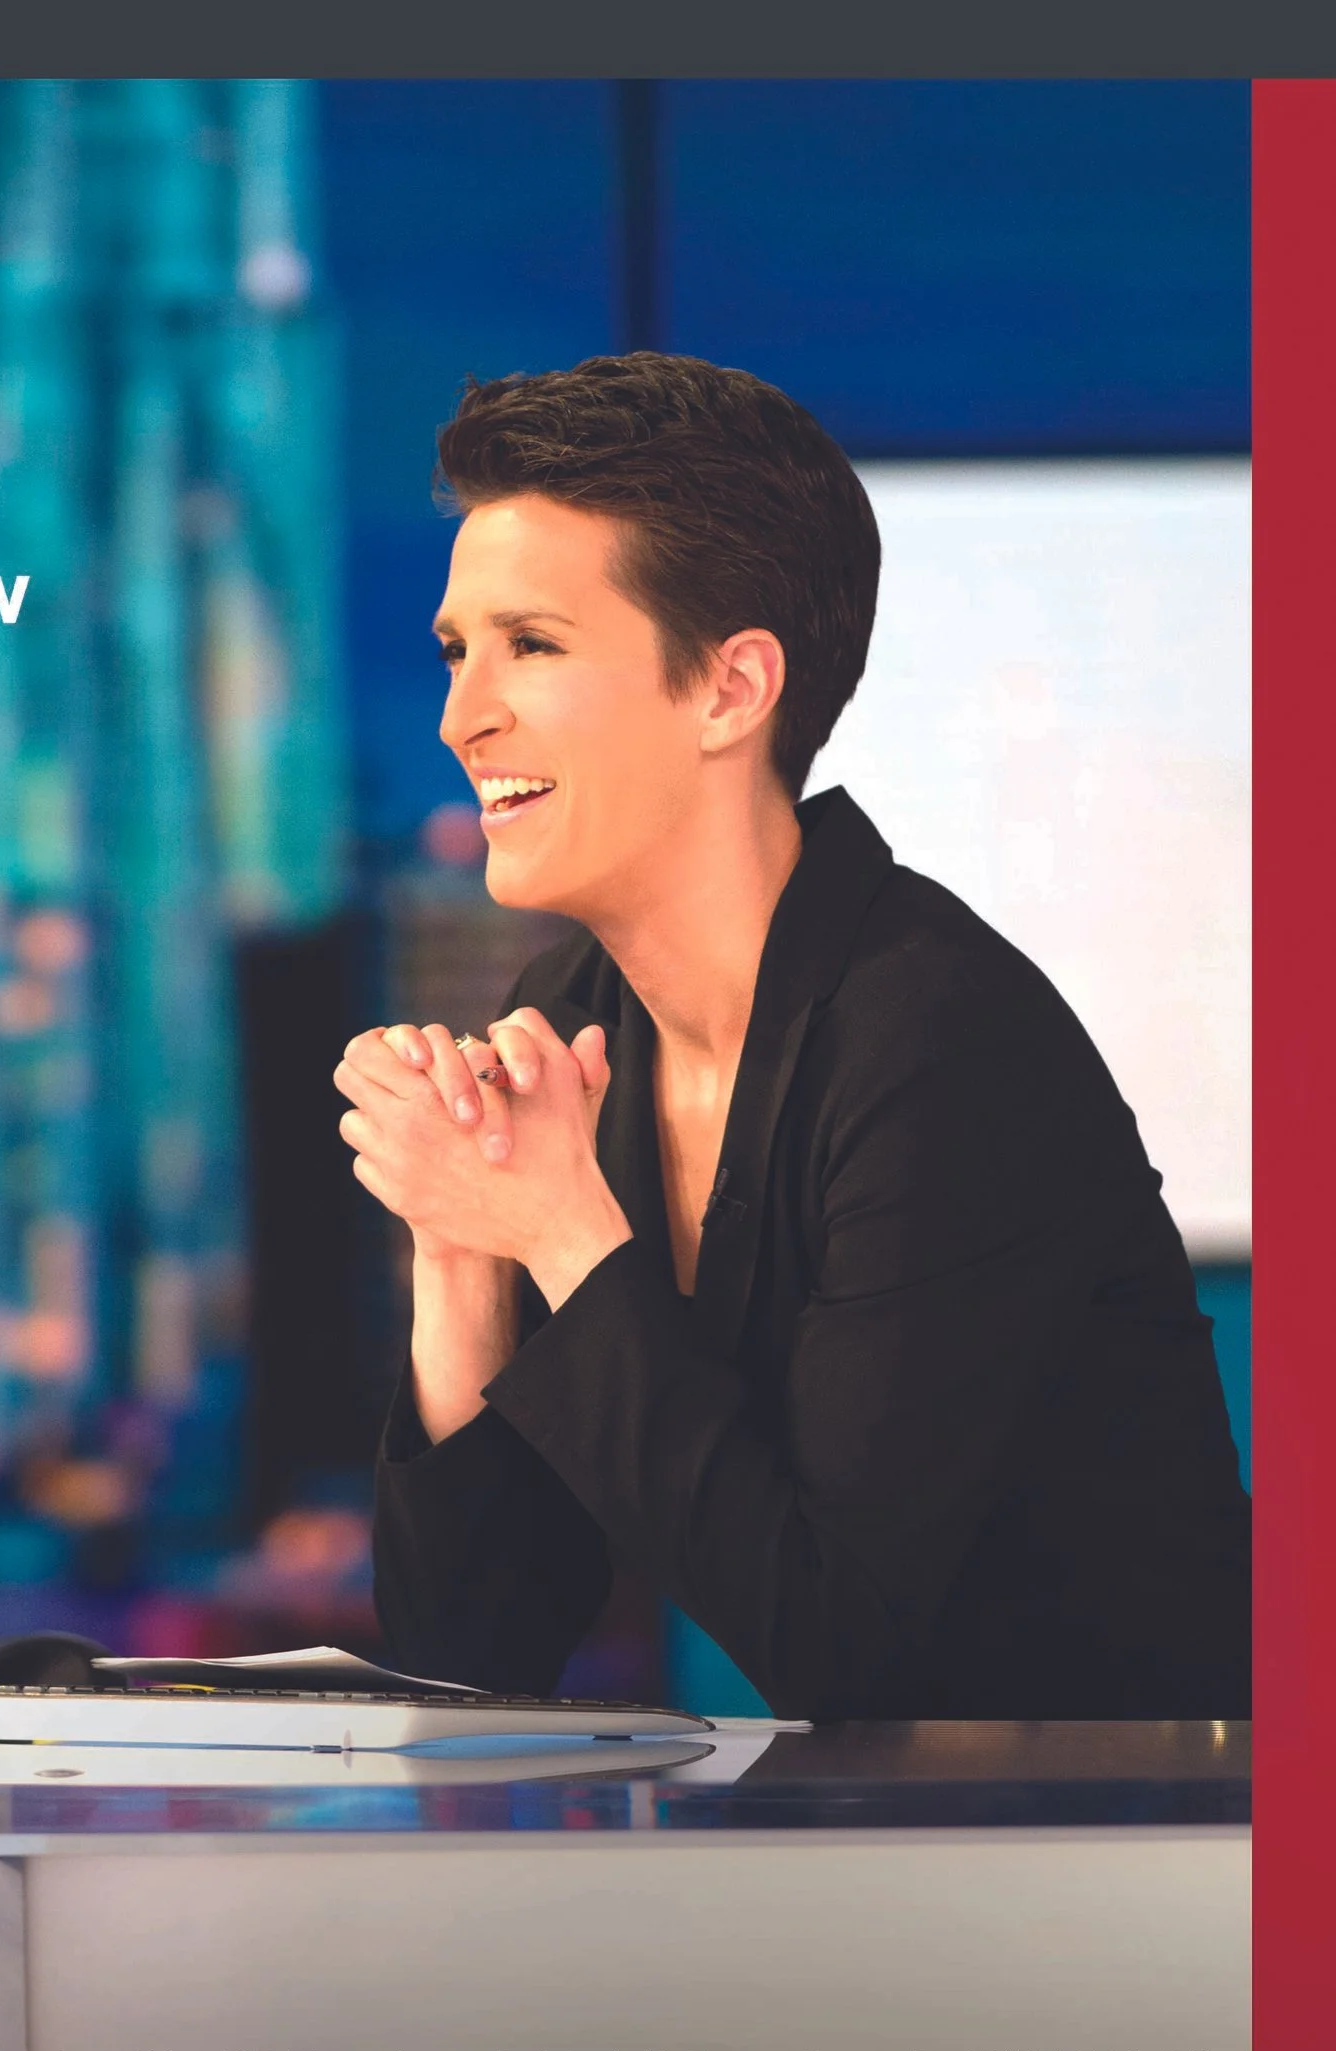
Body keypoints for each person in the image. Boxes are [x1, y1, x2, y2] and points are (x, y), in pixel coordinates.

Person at [339, 353, 1250, 1721]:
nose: (464, 714)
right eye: (458, 651)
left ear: (730, 688)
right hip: (878, 1874)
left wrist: (561, 1232)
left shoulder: (940, 1044)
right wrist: (461, 1252)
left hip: (1165, 1862)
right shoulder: (580, 1019)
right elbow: (473, 1655)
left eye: (532, 645)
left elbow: (842, 1642)